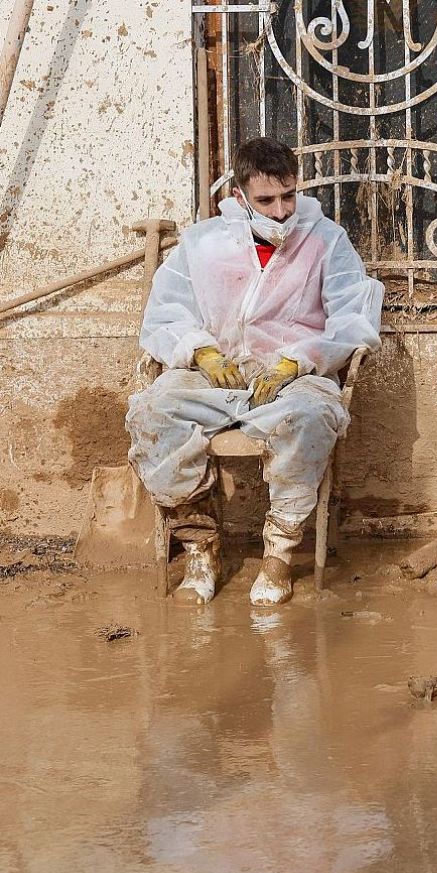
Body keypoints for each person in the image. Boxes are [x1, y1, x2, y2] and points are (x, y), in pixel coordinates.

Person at [127, 137, 383, 606]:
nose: (282, 210)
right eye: (267, 200)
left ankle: (279, 555)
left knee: (310, 416)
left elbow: (354, 318)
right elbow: (166, 314)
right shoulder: (202, 243)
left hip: (294, 373)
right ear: (241, 194)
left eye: (289, 195)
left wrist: (299, 360)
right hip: (215, 373)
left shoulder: (326, 239)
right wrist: (201, 353)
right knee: (152, 411)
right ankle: (200, 549)